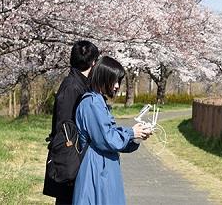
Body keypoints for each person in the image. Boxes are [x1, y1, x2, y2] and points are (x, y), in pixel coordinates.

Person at [72, 56, 151, 205]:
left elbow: (111, 135)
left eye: (118, 81)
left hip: (104, 166)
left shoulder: (98, 101)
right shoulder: (91, 102)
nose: (116, 86)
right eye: (113, 81)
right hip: (96, 167)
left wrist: (136, 137)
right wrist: (131, 133)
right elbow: (107, 139)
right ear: (103, 78)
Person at [43, 40, 100, 204]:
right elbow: (64, 126)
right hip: (70, 155)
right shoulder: (72, 86)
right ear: (93, 62)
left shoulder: (80, 83)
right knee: (68, 199)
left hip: (74, 153)